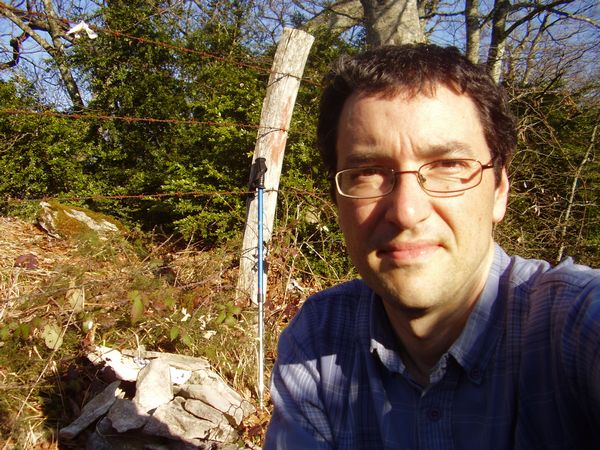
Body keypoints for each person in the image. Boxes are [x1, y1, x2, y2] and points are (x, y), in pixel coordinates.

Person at [263, 44, 600, 449]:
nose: (406, 212)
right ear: (337, 200)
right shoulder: (319, 337)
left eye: (448, 165)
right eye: (368, 172)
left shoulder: (573, 326)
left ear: (499, 191)